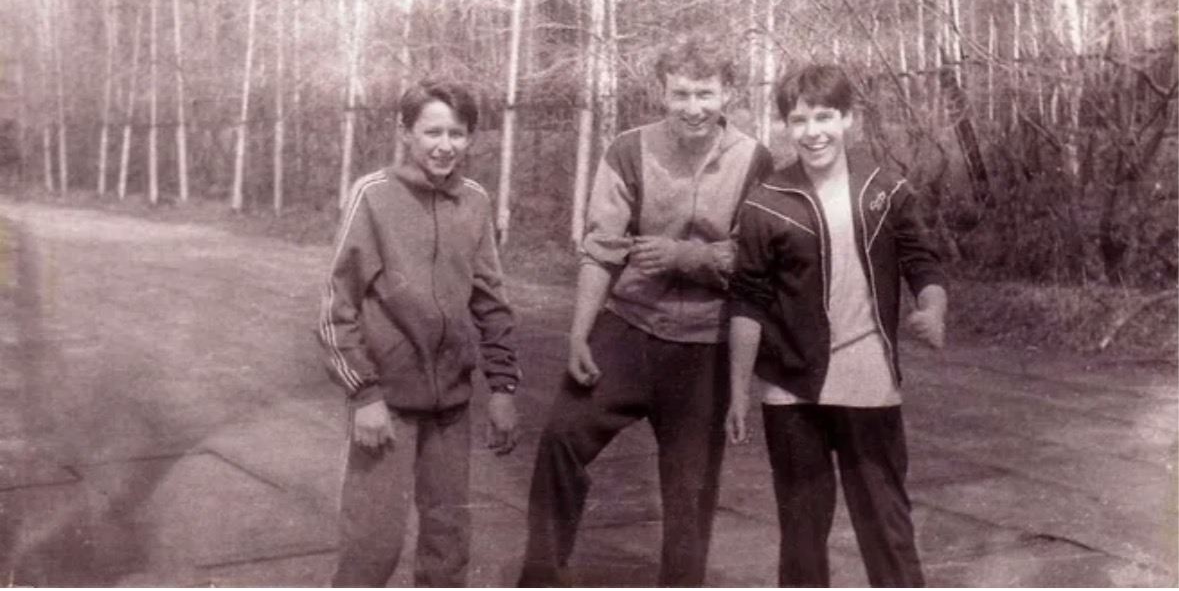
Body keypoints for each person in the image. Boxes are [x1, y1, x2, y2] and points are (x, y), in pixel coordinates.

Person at [517, 32, 774, 587]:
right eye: (680, 94)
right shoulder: (628, 150)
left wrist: (686, 256)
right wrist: (579, 334)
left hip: (705, 344)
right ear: (661, 92)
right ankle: (542, 578)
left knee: (690, 493)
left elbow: (756, 260)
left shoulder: (756, 160)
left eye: (705, 93)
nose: (693, 108)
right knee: (561, 438)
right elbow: (602, 248)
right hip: (628, 328)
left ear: (727, 93)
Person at [726, 63, 948, 587]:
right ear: (785, 126)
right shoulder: (766, 201)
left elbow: (923, 263)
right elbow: (748, 299)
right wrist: (738, 393)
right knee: (802, 537)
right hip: (791, 390)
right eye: (799, 120)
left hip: (869, 380)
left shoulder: (884, 191)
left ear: (849, 118)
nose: (813, 132)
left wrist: (932, 310)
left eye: (825, 117)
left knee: (887, 529)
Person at [316, 79, 522, 587]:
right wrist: (364, 394)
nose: (445, 145)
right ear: (405, 131)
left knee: (448, 543)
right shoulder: (373, 196)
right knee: (372, 546)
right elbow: (336, 307)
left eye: (457, 133)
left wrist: (502, 387)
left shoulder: (475, 201)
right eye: (432, 131)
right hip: (385, 407)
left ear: (470, 137)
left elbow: (491, 302)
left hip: (451, 409)